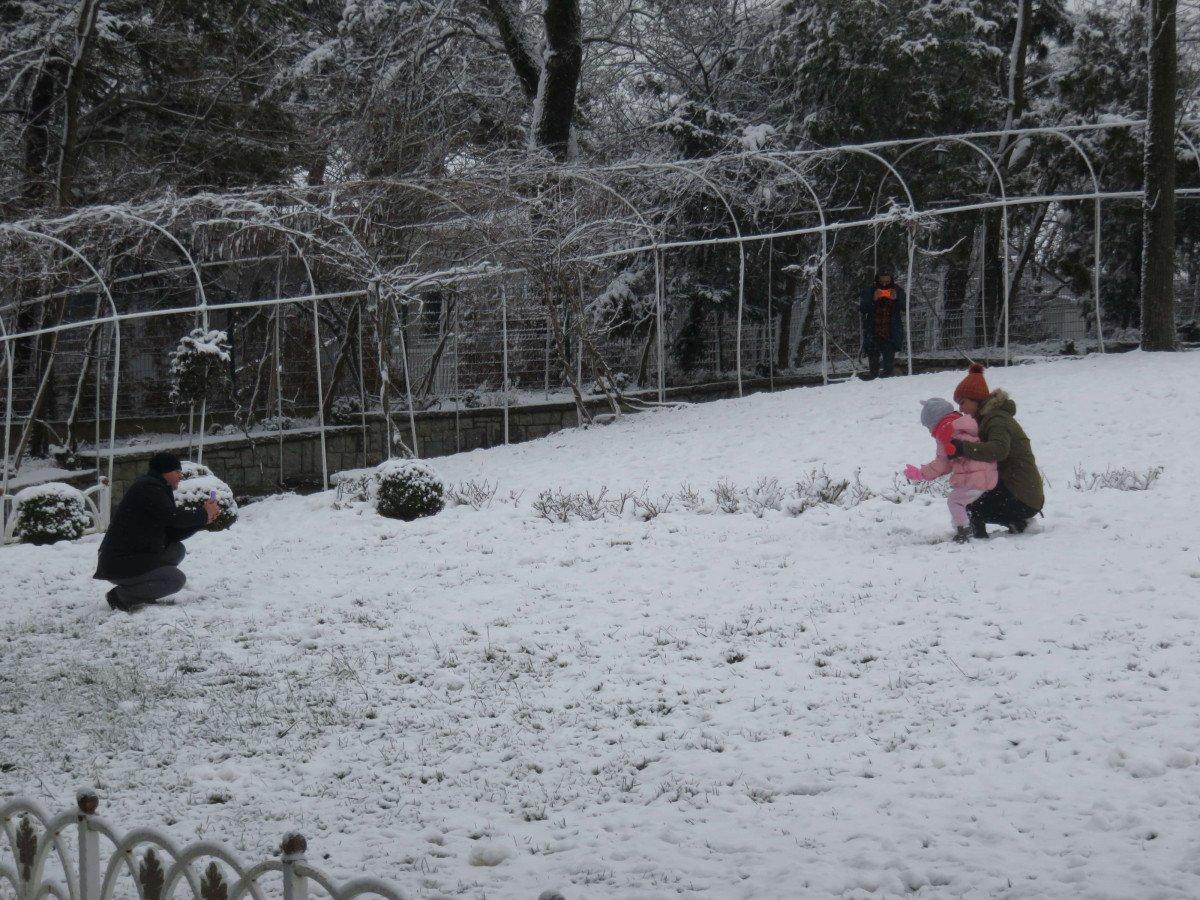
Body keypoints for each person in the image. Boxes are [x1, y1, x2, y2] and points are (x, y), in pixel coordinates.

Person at [94, 452, 218, 612]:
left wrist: (203, 520)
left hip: (134, 555)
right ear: (164, 472)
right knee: (176, 580)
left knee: (176, 549)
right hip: (119, 562)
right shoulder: (148, 488)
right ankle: (120, 597)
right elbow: (173, 518)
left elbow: (171, 532)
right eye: (176, 472)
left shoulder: (157, 487)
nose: (181, 475)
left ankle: (144, 590)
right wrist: (203, 514)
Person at [949, 364, 1044, 538]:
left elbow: (999, 450)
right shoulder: (987, 419)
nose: (961, 409)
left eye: (963, 402)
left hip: (1021, 495)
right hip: (1021, 492)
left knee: (970, 504)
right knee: (971, 498)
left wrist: (963, 448)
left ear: (976, 399)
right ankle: (1017, 522)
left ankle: (979, 538)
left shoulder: (996, 420)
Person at [904, 397, 998, 543]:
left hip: (974, 478)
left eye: (928, 426)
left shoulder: (946, 433)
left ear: (935, 421)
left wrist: (920, 474)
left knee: (955, 501)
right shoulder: (965, 425)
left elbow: (943, 464)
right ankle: (974, 527)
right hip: (988, 473)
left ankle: (964, 531)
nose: (929, 431)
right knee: (966, 501)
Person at [859, 271, 906, 379]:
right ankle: (873, 383)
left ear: (891, 280)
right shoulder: (870, 291)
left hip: (890, 333)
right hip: (873, 332)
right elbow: (862, 309)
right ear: (877, 280)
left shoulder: (897, 290)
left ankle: (886, 386)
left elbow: (905, 307)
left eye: (887, 281)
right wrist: (873, 300)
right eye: (882, 281)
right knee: (873, 366)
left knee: (888, 366)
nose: (884, 284)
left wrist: (896, 299)